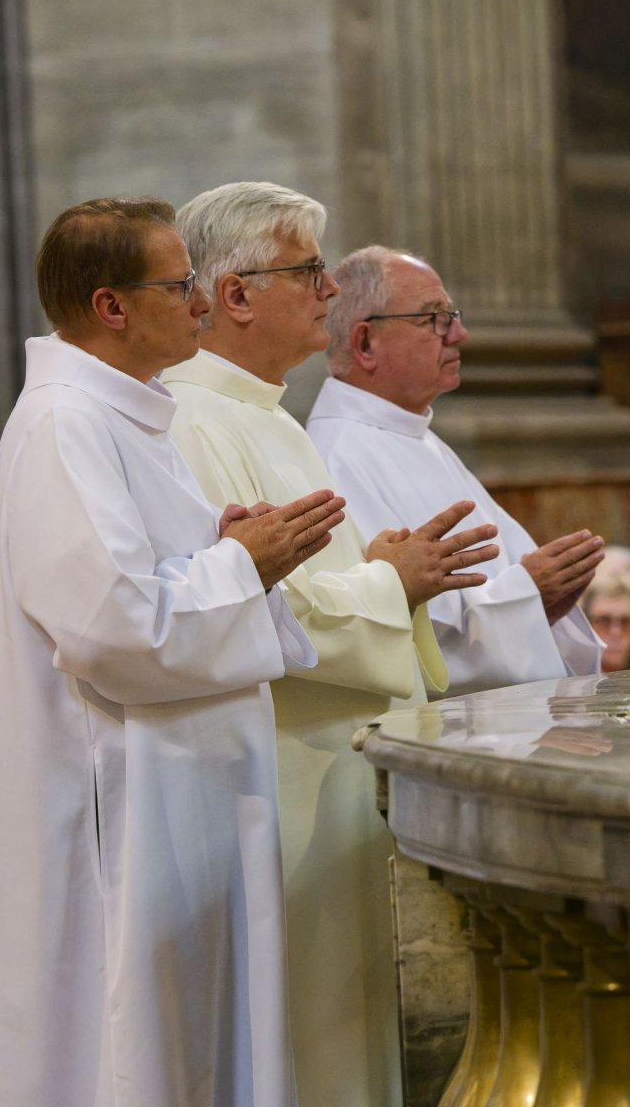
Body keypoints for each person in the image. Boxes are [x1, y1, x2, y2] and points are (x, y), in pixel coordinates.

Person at [0, 195, 348, 1107]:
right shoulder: (66, 423)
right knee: (137, 1053)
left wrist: (222, 547)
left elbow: (147, 577)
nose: (199, 305)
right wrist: (234, 565)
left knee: (202, 1045)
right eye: (179, 286)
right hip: (127, 808)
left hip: (183, 793)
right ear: (110, 306)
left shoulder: (131, 415)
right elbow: (108, 627)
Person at [161, 181, 499, 1107]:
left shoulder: (269, 416)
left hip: (330, 776)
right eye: (306, 269)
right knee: (303, 1047)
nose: (324, 288)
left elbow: (307, 589)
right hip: (278, 778)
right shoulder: (192, 422)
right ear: (234, 295)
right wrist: (396, 579)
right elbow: (258, 615)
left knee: (343, 1045)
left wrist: (397, 577)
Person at [308, 244, 604, 696]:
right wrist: (530, 596)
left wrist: (543, 603)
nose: (460, 334)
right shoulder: (339, 456)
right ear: (366, 342)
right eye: (435, 318)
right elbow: (400, 635)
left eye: (453, 315)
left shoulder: (418, 436)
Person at [581, 571, 630, 674]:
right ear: (587, 624)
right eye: (604, 621)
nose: (615, 632)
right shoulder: (567, 678)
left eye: (626, 622)